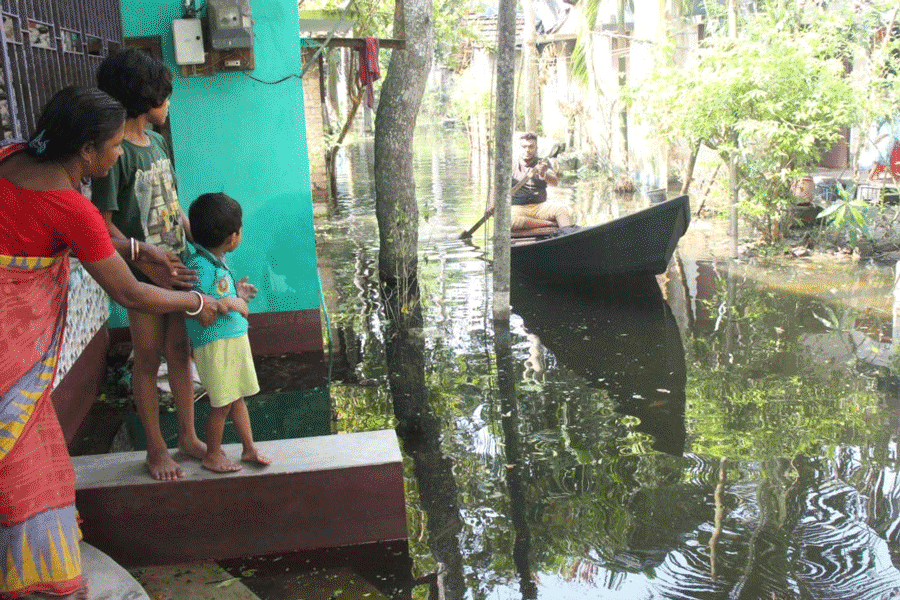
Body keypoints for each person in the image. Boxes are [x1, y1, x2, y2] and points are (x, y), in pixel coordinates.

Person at [0, 86, 225, 599]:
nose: (120, 151)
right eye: (113, 144)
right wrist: (197, 304)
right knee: (23, 472)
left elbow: (106, 247)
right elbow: (128, 292)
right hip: (7, 362)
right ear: (86, 151)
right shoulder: (70, 209)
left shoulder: (10, 157)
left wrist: (138, 247)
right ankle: (35, 584)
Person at [91, 48, 203, 481]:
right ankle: (156, 450)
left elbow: (173, 209)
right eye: (165, 96)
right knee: (147, 358)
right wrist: (143, 256)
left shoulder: (157, 143)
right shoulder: (117, 154)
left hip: (178, 270)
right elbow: (102, 229)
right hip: (143, 280)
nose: (169, 104)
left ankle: (188, 437)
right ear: (145, 98)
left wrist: (204, 246)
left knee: (180, 352)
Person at [185, 193, 270, 473]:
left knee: (237, 398)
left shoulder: (215, 261)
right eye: (240, 229)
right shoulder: (200, 264)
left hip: (231, 340)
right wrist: (233, 302)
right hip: (216, 344)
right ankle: (212, 454)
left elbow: (219, 293)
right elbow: (202, 302)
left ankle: (248, 448)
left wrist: (237, 292)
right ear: (231, 237)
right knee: (221, 403)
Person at [510, 132, 573, 234]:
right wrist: (491, 204)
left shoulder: (544, 163)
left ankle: (569, 236)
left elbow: (555, 182)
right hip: (518, 208)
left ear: (536, 148)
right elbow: (496, 187)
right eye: (524, 147)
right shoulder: (511, 165)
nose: (527, 150)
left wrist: (543, 173)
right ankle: (549, 224)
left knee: (561, 209)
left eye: (531, 147)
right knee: (509, 220)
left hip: (540, 207)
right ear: (520, 148)